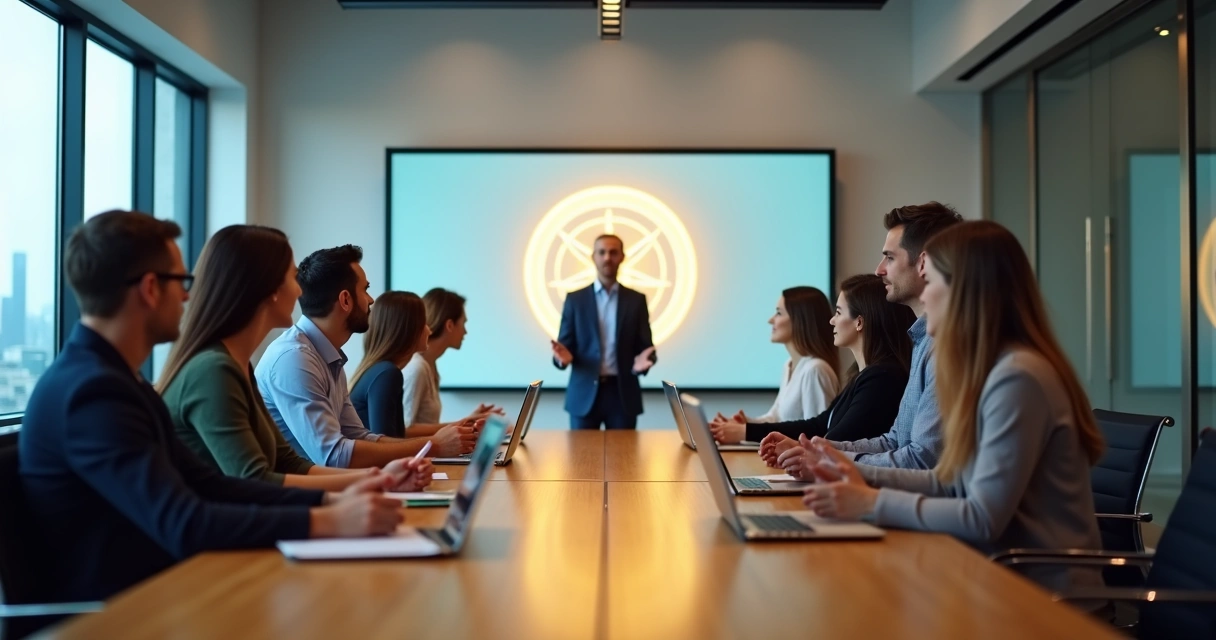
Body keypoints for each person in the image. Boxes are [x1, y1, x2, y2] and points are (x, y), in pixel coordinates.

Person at [19, 211, 404, 604]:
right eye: (180, 282)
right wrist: (328, 520)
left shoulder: (116, 379)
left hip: (163, 590)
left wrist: (336, 501)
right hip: (123, 612)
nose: (188, 295)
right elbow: (183, 520)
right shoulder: (94, 393)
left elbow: (211, 485)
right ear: (150, 289)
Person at [795, 221, 1105, 598]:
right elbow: (952, 482)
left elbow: (981, 518)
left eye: (933, 283)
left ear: (965, 292)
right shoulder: (992, 369)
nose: (924, 299)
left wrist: (871, 501)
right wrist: (852, 469)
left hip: (1038, 600)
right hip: (991, 579)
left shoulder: (1017, 378)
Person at [158, 226, 432, 492]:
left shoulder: (239, 365)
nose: (300, 291)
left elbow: (287, 463)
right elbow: (256, 482)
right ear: (270, 289)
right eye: (292, 277)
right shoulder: (220, 369)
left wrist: (379, 479)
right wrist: (364, 489)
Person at [777, 202, 962, 471]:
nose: (879, 270)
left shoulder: (946, 349)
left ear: (923, 262)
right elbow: (894, 441)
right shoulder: (922, 343)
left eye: (889, 258)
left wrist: (830, 462)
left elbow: (922, 459)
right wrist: (819, 451)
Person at [257, 245, 477, 467]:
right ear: (345, 300)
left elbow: (359, 436)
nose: (371, 300)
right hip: (296, 497)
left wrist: (433, 444)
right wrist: (434, 446)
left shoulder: (326, 356)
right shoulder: (295, 359)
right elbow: (334, 456)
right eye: (365, 289)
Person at [710, 275, 914, 453]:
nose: (832, 321)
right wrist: (750, 429)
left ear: (859, 322)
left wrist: (796, 448)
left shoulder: (881, 379)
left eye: (839, 313)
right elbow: (819, 425)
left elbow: (834, 440)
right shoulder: (862, 376)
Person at [551, 234, 657, 430]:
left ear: (622, 257)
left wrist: (644, 363)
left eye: (613, 252)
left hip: (622, 394)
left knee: (624, 459)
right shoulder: (575, 300)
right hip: (583, 394)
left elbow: (647, 348)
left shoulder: (636, 300)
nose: (607, 257)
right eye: (602, 252)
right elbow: (564, 347)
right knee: (580, 459)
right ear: (594, 257)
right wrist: (562, 359)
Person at [712, 286, 840, 429]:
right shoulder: (789, 365)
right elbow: (776, 418)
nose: (770, 320)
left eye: (779, 313)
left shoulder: (815, 370)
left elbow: (817, 434)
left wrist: (745, 431)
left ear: (800, 319)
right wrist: (744, 424)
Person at [398, 287, 503, 433]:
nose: (465, 331)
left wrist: (468, 421)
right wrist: (463, 424)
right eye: (463, 323)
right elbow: (404, 429)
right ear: (449, 325)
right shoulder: (417, 368)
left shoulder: (430, 365)